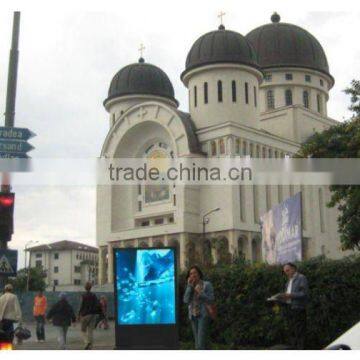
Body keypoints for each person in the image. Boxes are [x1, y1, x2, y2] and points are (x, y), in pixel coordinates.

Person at [278, 262, 309, 349]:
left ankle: (301, 350)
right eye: (285, 271)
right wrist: (281, 297)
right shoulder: (288, 281)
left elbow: (304, 294)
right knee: (292, 331)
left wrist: (290, 295)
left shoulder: (301, 278)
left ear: (293, 269)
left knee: (300, 331)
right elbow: (287, 295)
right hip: (289, 308)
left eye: (287, 270)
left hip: (298, 308)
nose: (286, 273)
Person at [183, 266, 214, 350]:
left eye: (195, 272)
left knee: (200, 344)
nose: (193, 275)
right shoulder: (190, 286)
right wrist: (189, 286)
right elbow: (185, 300)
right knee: (200, 342)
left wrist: (200, 292)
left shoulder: (207, 284)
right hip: (193, 316)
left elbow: (211, 299)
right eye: (191, 273)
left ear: (199, 274)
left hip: (203, 315)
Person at [78, 282, 102, 350]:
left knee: (83, 330)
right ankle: (90, 346)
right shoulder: (94, 295)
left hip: (85, 315)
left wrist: (78, 314)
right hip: (93, 315)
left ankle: (86, 342)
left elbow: (81, 305)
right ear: (91, 287)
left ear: (85, 288)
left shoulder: (83, 295)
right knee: (90, 331)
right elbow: (98, 304)